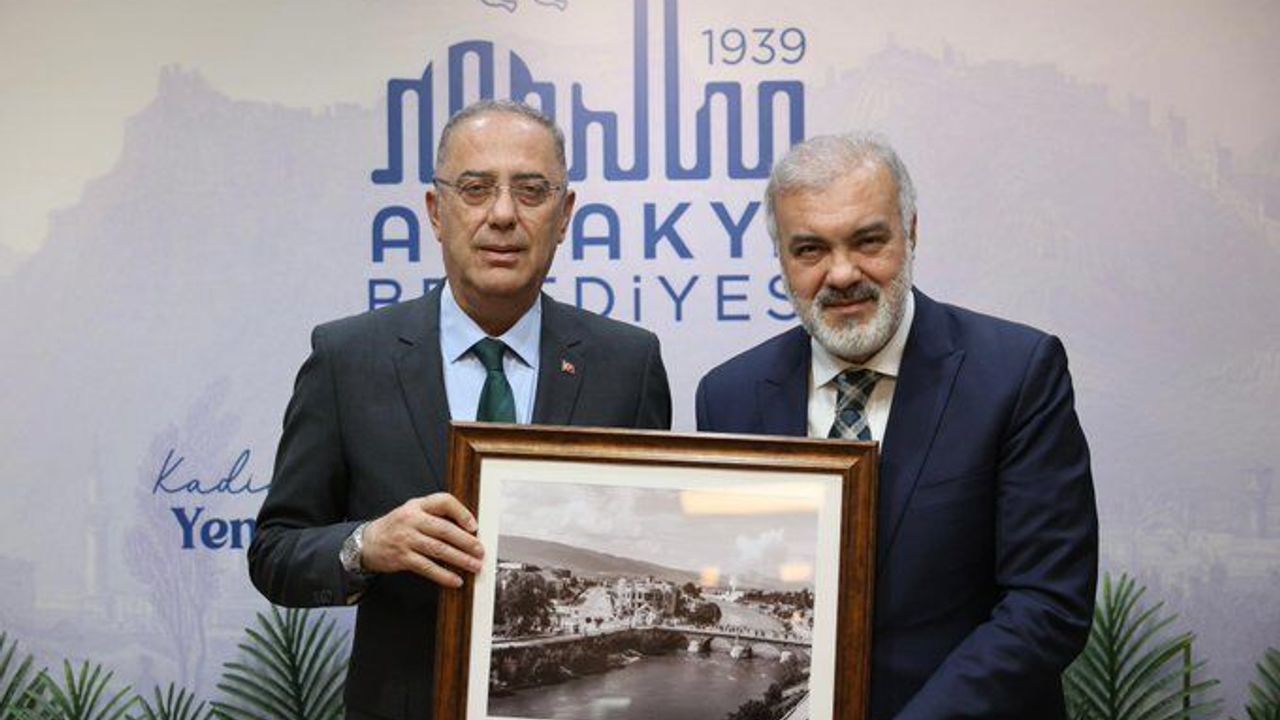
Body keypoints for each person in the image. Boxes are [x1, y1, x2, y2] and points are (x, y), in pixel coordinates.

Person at [249, 99, 672, 720]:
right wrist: (366, 544)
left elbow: (646, 529)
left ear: (564, 216)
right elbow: (275, 552)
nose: (502, 214)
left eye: (531, 191)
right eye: (475, 189)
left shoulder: (627, 365)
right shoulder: (347, 358)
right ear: (435, 212)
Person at [695, 133, 1097, 719]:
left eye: (868, 241)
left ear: (911, 233)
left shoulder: (1016, 374)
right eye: (809, 249)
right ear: (781, 257)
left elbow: (1047, 605)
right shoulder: (728, 397)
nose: (841, 273)